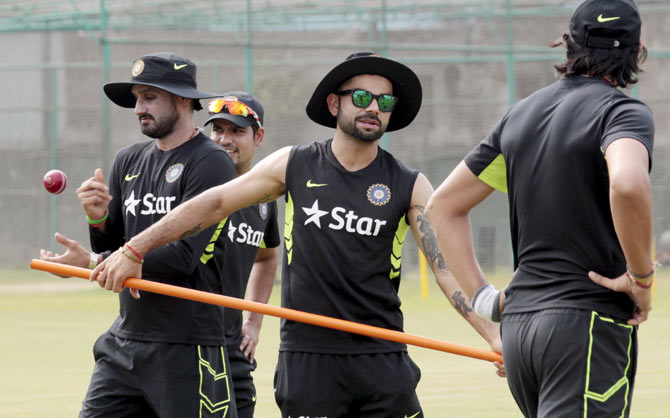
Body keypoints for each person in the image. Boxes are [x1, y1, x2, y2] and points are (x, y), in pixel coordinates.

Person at [92, 52, 502, 418]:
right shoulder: (294, 164)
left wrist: (494, 335)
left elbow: (445, 269)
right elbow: (215, 203)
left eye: (385, 101)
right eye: (361, 97)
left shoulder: (410, 184)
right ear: (334, 102)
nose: (373, 108)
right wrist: (134, 248)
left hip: (383, 358)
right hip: (308, 361)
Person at [425, 1, 654, 416]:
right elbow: (628, 182)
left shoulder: (519, 116)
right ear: (637, 51)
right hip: (584, 327)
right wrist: (641, 277)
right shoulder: (623, 113)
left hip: (520, 330)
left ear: (569, 44)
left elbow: (442, 206)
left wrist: (482, 299)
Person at [42, 52, 238, 418]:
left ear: (182, 100)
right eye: (136, 98)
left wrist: (90, 261)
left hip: (186, 343)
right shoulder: (128, 160)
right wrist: (97, 218)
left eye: (149, 97)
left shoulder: (211, 162)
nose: (137, 108)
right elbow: (113, 247)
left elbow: (183, 258)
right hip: (126, 340)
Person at [203, 91, 280, 418]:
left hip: (233, 345)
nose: (224, 139)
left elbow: (266, 258)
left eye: (236, 131)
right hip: (189, 343)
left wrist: (253, 321)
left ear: (258, 137)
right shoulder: (196, 187)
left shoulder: (263, 198)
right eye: (217, 130)